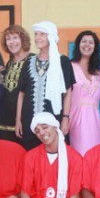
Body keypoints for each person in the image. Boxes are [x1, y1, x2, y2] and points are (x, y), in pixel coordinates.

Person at [15, 21, 75, 150]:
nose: (38, 38)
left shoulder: (62, 61)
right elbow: (21, 93)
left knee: (55, 153)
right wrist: (18, 120)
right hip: (29, 120)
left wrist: (65, 118)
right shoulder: (28, 62)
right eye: (36, 34)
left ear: (51, 36)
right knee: (31, 154)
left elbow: (68, 92)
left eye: (42, 34)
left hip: (54, 118)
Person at [69, 30, 100, 156]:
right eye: (84, 41)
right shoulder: (70, 66)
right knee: (79, 155)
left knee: (95, 156)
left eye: (91, 42)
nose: (87, 44)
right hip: (76, 120)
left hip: (95, 122)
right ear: (78, 45)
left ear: (95, 47)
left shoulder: (98, 73)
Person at [0, 25, 32, 143]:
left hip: (25, 118)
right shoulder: (10, 63)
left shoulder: (32, 60)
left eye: (15, 38)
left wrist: (20, 119)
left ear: (23, 39)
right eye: (8, 39)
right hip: (6, 120)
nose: (11, 42)